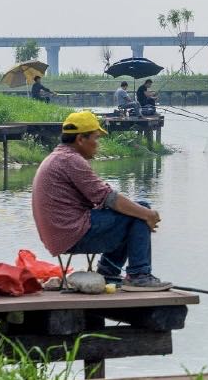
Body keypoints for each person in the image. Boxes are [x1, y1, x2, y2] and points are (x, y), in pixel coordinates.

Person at [31, 110, 170, 290]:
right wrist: (148, 214)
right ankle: (139, 275)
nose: (97, 145)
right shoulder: (71, 160)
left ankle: (108, 272)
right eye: (95, 139)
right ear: (80, 139)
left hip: (60, 235)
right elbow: (108, 198)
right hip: (71, 233)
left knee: (134, 210)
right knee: (139, 212)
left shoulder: (60, 157)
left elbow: (102, 197)